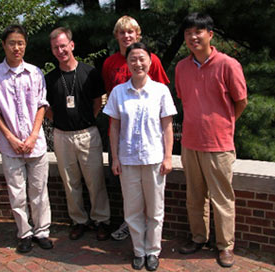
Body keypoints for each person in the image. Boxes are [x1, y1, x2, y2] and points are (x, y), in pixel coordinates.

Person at [175, 13, 248, 268]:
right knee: (195, 197)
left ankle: (225, 246)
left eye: (198, 31)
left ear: (210, 34)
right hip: (190, 142)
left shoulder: (228, 65)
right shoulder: (182, 67)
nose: (193, 37)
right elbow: (185, 100)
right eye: (188, 33)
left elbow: (241, 102)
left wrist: (224, 125)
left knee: (222, 199)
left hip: (219, 145)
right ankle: (198, 238)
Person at [103, 42, 177, 271]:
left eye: (142, 58)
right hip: (128, 161)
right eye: (133, 59)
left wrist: (168, 157)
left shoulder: (160, 91)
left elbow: (167, 127)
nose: (138, 63)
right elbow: (114, 128)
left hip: (154, 159)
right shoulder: (118, 92)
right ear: (127, 63)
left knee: (155, 209)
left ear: (150, 61)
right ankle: (138, 251)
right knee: (132, 210)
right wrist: (114, 158)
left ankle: (153, 251)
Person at [0, 25, 53, 253]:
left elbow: (42, 105)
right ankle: (24, 233)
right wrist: (11, 138)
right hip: (9, 145)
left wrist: (33, 136)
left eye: (20, 43)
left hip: (36, 143)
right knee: (17, 192)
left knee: (39, 191)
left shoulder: (35, 73)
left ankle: (42, 231)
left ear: (26, 45)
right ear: (4, 45)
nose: (16, 47)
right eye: (12, 43)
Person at [45, 27, 111, 241]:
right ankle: (78, 221)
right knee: (70, 182)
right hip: (62, 136)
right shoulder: (50, 78)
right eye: (56, 47)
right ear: (52, 51)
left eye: (63, 46)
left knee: (95, 181)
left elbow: (97, 101)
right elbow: (45, 107)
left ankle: (101, 220)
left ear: (71, 45)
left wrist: (87, 119)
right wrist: (58, 121)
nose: (60, 50)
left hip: (87, 134)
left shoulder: (89, 72)